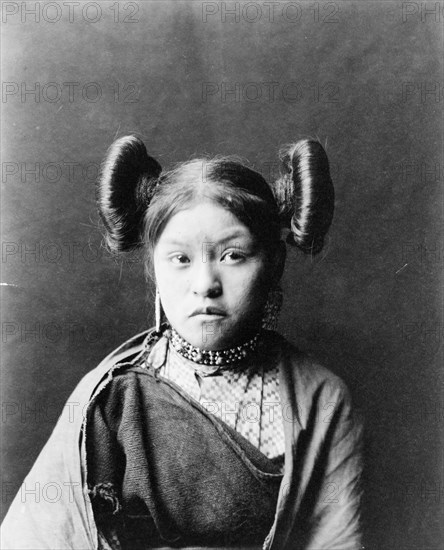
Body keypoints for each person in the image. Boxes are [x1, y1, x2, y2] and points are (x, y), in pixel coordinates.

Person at [1, 135, 363, 550]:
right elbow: (39, 538)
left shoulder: (319, 400)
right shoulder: (114, 397)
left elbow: (336, 541)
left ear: (274, 263)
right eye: (181, 259)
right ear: (154, 266)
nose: (205, 285)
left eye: (233, 256)